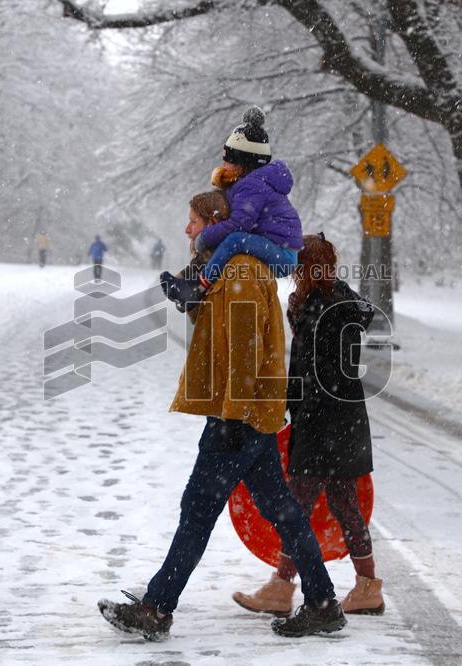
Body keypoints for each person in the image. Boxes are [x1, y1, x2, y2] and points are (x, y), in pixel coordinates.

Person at [98, 192, 347, 641]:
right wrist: (190, 296)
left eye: (193, 221)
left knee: (197, 511)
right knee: (283, 511)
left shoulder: (241, 272)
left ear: (214, 223)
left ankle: (156, 609)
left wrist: (233, 419)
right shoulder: (232, 270)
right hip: (250, 415)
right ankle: (323, 602)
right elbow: (225, 335)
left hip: (238, 418)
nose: (188, 230)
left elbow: (246, 351)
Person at [232, 233, 385, 617]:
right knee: (344, 503)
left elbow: (306, 371)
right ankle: (367, 586)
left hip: (320, 423)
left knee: (295, 505)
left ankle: (281, 587)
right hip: (346, 420)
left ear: (303, 268)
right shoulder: (343, 302)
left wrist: (286, 409)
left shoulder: (317, 309)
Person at [159, 107, 303, 310]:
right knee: (225, 243)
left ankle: (196, 289)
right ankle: (185, 281)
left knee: (234, 240)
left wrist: (206, 236)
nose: (223, 164)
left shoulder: (252, 185)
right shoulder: (247, 184)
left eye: (228, 160)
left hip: (283, 254)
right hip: (274, 246)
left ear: (243, 164)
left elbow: (239, 224)